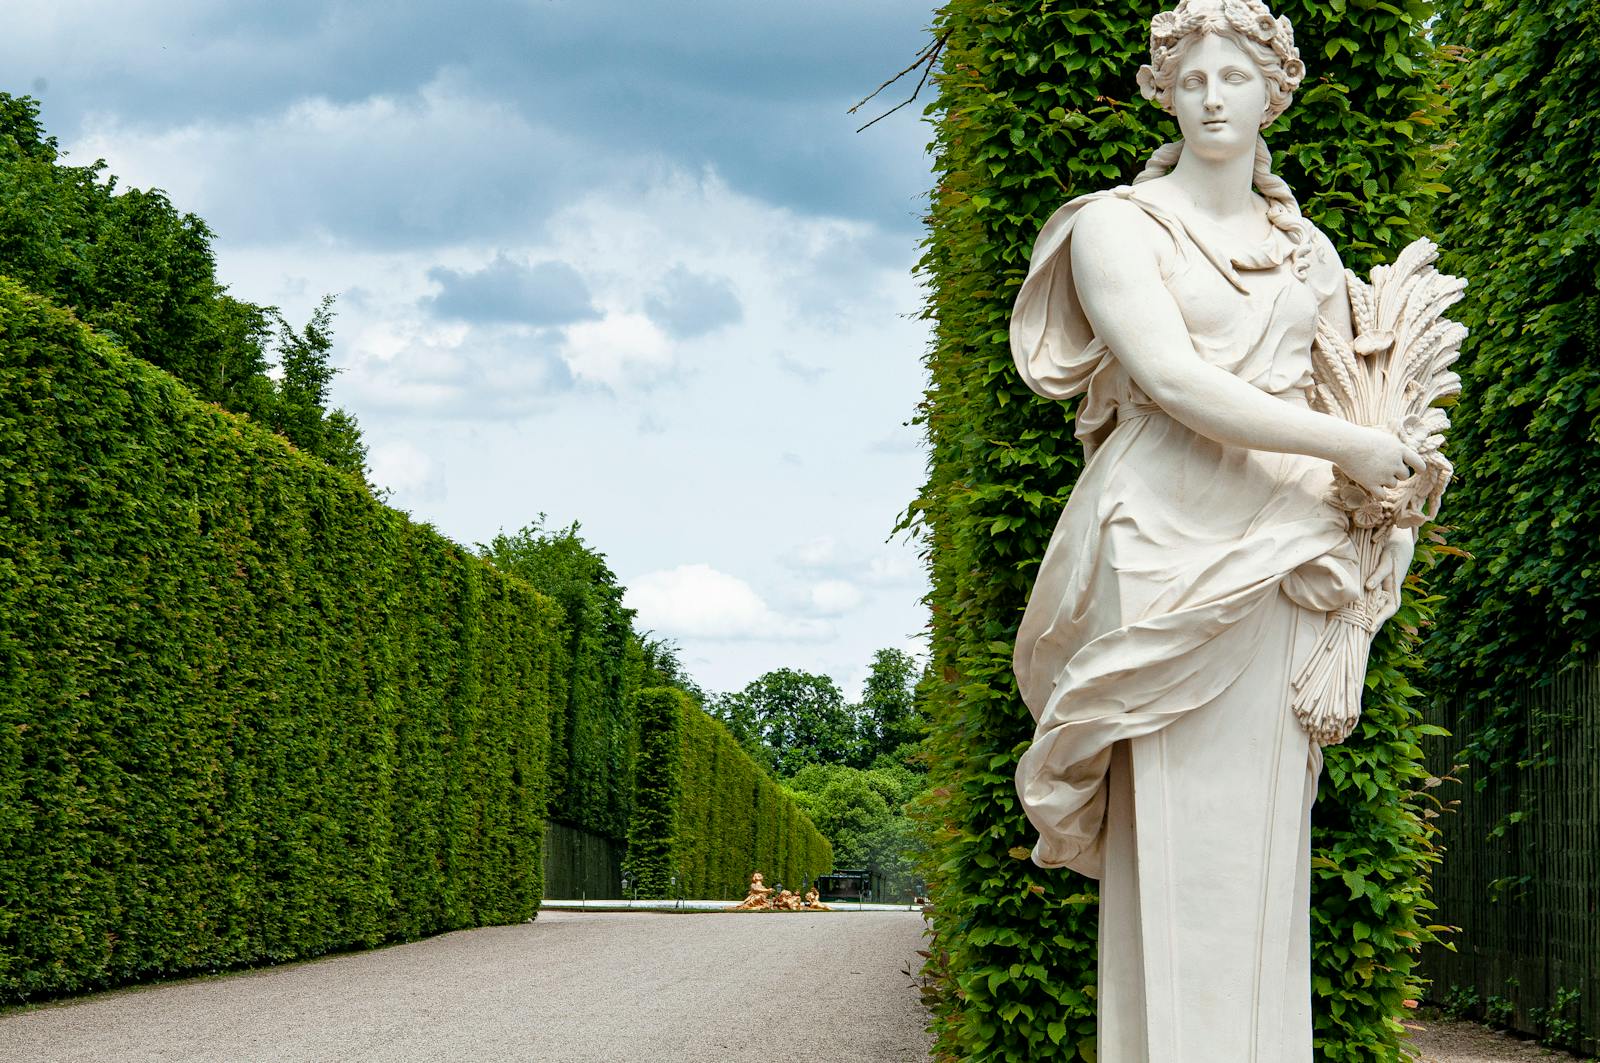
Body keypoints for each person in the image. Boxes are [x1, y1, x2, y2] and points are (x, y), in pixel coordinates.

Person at [1008, 1, 1420, 1058]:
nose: (1210, 96)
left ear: (1272, 90)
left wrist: (1390, 476)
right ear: (1164, 92)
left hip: (1286, 544)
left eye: (1233, 76)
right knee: (1178, 840)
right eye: (1189, 79)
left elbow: (1357, 403)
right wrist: (1349, 450)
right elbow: (1170, 377)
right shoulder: (1114, 225)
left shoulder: (1309, 253)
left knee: (1262, 848)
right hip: (1161, 532)